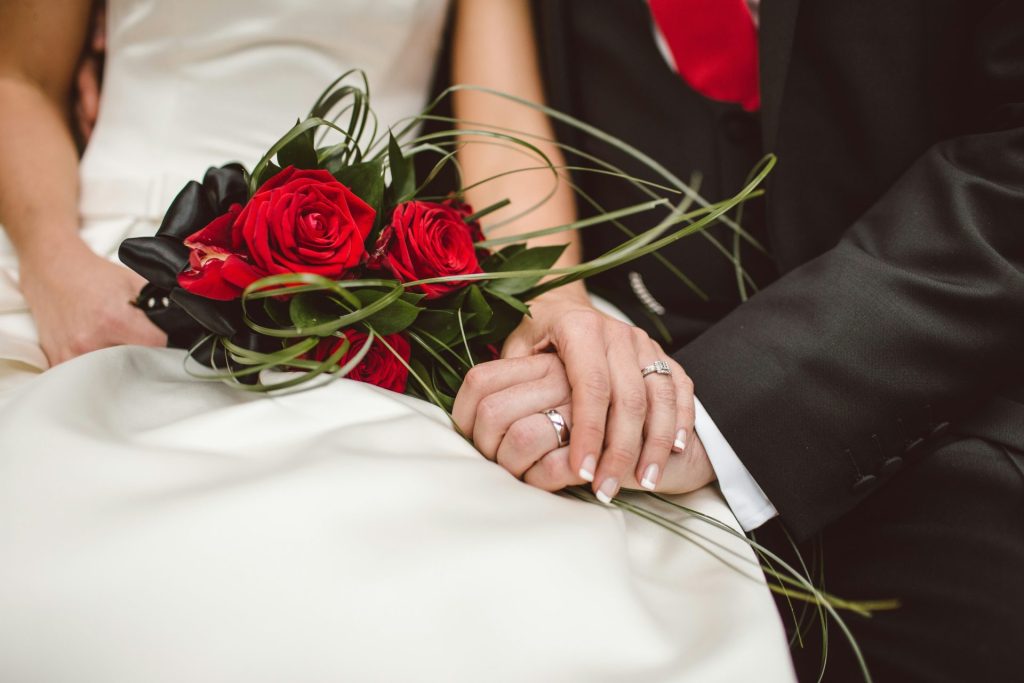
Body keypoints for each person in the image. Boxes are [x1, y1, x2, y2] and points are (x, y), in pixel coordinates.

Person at [0, 1, 794, 680]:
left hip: (382, 294)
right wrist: (54, 265)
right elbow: (19, 79)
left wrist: (554, 301)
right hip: (111, 257)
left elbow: (499, 116)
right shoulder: (71, 268)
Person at [454, 1, 1024, 681]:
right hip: (588, 378)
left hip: (938, 406)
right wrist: (556, 302)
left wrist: (717, 417)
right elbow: (502, 101)